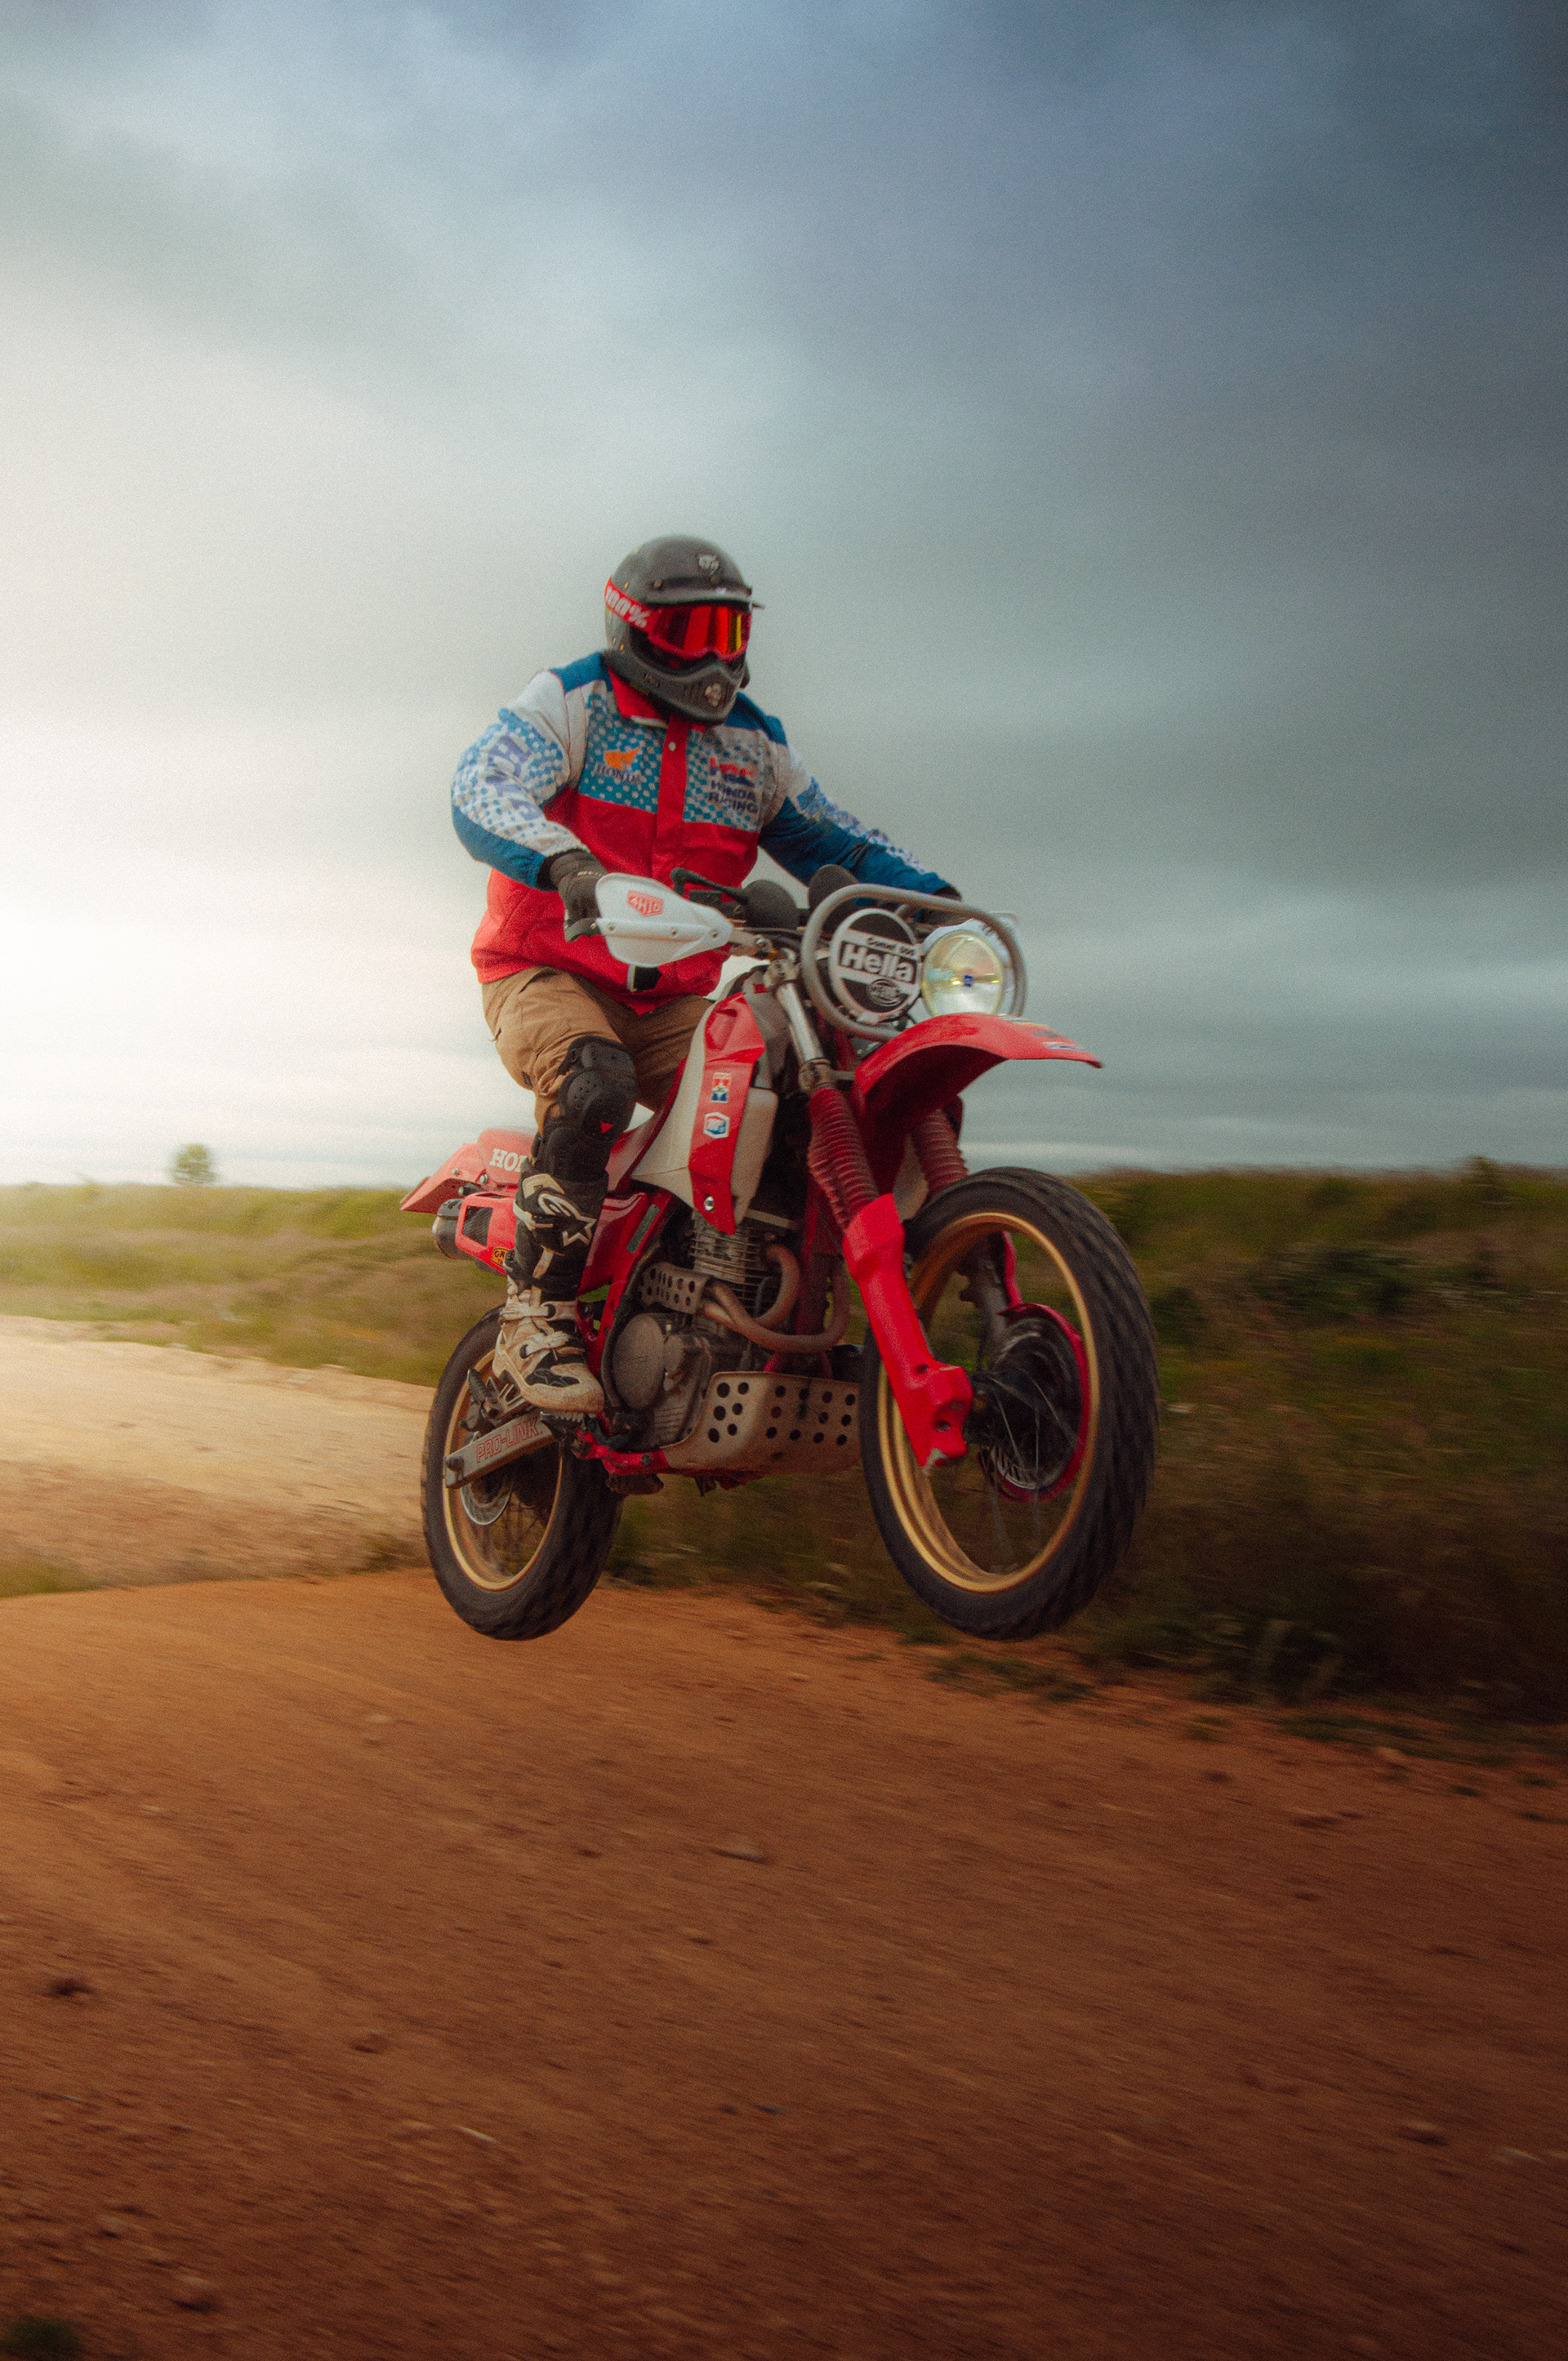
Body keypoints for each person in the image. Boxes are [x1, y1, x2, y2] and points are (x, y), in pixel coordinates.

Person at [450, 534, 955, 1414]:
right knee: (594, 1080)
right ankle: (537, 1317)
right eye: (693, 633)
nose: (717, 659)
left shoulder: (753, 746)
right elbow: (482, 786)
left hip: (675, 998)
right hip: (545, 971)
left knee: (792, 1097)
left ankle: (754, 1302)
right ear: (635, 629)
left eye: (732, 631)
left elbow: (834, 837)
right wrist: (564, 862)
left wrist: (934, 896)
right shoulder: (571, 703)